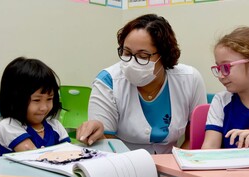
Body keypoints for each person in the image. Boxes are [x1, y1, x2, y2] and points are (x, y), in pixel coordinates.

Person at [77, 14, 207, 153]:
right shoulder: (107, 81)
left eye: (143, 56)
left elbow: (196, 137)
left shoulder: (190, 79)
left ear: (164, 55)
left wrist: (176, 169)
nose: (132, 63)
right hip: (123, 164)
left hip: (174, 165)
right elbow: (104, 142)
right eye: (126, 53)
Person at [0, 57, 104, 155]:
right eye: (37, 100)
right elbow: (34, 158)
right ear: (15, 99)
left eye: (49, 99)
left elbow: (70, 153)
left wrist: (87, 140)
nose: (44, 107)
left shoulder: (55, 126)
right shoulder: (9, 125)